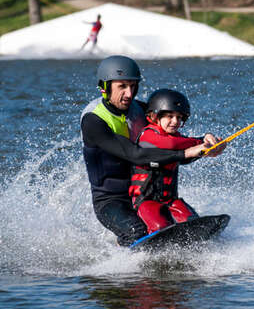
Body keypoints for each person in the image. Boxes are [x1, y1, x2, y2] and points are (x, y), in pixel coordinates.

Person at [80, 55, 218, 246]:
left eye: (133, 86)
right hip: (111, 201)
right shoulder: (93, 121)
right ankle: (124, 271)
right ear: (105, 87)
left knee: (189, 226)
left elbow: (172, 145)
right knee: (137, 231)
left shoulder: (143, 110)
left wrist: (205, 145)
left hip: (147, 195)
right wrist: (187, 152)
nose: (129, 94)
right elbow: (135, 155)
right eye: (122, 86)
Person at [129, 89, 224, 234]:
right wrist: (200, 142)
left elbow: (185, 153)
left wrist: (212, 147)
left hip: (170, 200)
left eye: (179, 117)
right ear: (155, 116)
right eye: (169, 116)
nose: (175, 122)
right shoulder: (148, 135)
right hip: (145, 201)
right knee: (161, 227)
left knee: (192, 222)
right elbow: (172, 145)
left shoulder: (178, 138)